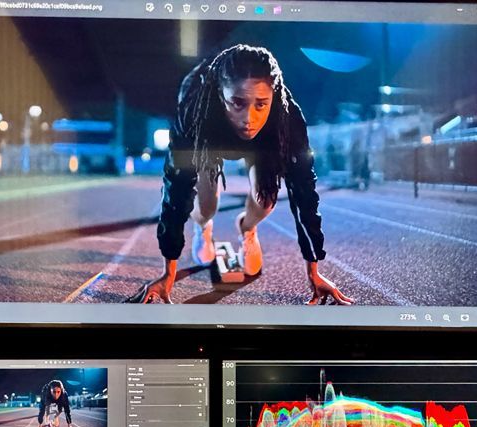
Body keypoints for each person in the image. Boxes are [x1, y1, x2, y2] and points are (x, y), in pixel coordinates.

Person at [133, 44, 352, 305]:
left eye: (261, 104)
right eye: (237, 102)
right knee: (205, 206)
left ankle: (247, 229)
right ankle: (203, 227)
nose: (249, 118)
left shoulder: (287, 118)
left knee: (266, 200)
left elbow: (303, 192)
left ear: (274, 95)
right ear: (219, 94)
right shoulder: (194, 110)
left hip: (262, 146)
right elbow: (176, 189)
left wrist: (313, 272)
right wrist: (168, 272)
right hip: (210, 139)